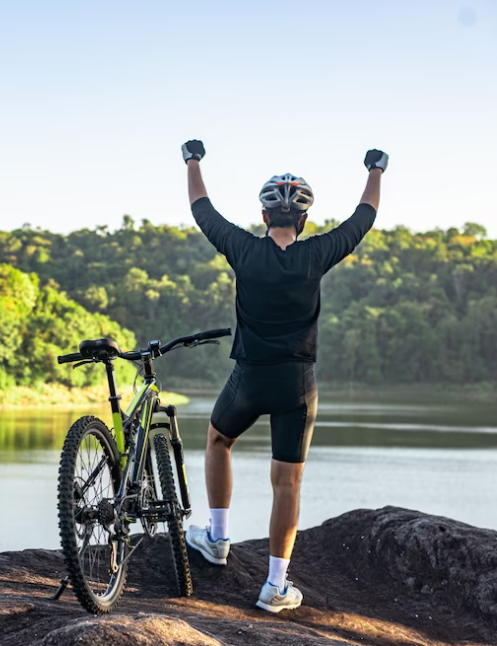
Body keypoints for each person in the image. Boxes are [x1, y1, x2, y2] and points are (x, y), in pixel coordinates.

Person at [179, 140, 388, 613]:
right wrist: (376, 170)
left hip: (249, 380)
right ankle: (275, 586)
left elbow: (202, 208)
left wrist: (193, 160)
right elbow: (363, 218)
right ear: (305, 221)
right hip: (297, 386)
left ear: (262, 216)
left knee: (217, 440)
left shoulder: (244, 250)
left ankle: (217, 538)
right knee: (287, 482)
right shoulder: (317, 254)